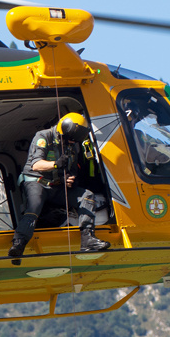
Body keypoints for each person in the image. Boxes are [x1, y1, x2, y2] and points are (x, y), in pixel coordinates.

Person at [8, 112, 111, 262]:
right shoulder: (43, 137)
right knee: (34, 207)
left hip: (57, 187)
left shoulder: (71, 145)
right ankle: (19, 243)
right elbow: (36, 165)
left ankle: (88, 239)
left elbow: (72, 170)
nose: (69, 143)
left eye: (72, 141)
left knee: (86, 195)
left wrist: (68, 180)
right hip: (37, 183)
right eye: (67, 139)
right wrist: (55, 164)